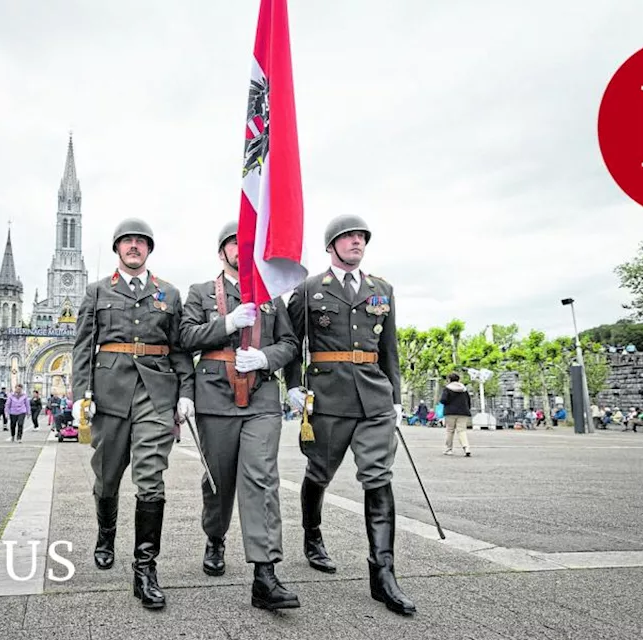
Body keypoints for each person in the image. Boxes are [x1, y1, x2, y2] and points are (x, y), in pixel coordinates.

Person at [283, 215, 416, 616]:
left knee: (378, 477)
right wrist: (292, 384)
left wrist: (394, 394)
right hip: (328, 394)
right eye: (349, 237)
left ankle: (383, 574)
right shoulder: (309, 289)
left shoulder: (382, 289)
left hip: (374, 396)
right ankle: (312, 536)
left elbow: (389, 346)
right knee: (319, 471)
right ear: (332, 246)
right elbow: (293, 341)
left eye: (361, 237)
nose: (357, 242)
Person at [72, 217, 194, 610]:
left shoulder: (169, 295)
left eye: (141, 242)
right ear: (117, 248)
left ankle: (145, 569)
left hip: (156, 394)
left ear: (149, 249)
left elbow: (179, 349)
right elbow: (82, 347)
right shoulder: (96, 292)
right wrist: (79, 394)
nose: (134, 246)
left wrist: (185, 392)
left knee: (151, 477)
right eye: (127, 241)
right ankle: (105, 533)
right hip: (109, 394)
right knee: (106, 478)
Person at [179, 221, 301, 610]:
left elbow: (290, 343)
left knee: (262, 478)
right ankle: (215, 536)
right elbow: (185, 337)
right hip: (215, 396)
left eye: (246, 244)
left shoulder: (270, 296)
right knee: (219, 481)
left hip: (262, 396)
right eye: (233, 243)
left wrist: (266, 357)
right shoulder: (200, 292)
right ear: (222, 252)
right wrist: (227, 324)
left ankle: (265, 573)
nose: (239, 248)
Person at [439, 373, 472, 457]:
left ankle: (449, 449)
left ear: (449, 379)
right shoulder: (464, 389)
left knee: (450, 430)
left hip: (450, 412)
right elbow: (468, 401)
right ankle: (466, 448)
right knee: (462, 431)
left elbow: (443, 400)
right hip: (463, 412)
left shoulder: (447, 389)